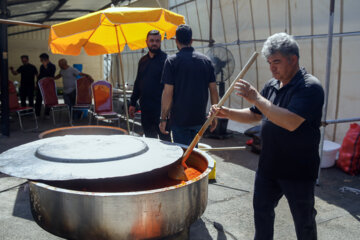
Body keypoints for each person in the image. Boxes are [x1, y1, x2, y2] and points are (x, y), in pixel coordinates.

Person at [210, 32, 324, 240]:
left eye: (277, 62)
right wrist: (226, 112)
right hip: (268, 166)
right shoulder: (272, 85)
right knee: (262, 214)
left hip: (298, 171)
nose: (272, 68)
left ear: (293, 59)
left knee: (304, 221)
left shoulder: (309, 87)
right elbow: (255, 115)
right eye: (270, 62)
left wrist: (256, 97)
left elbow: (290, 122)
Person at [159, 24, 219, 145]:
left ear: (176, 40)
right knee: (194, 153)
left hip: (179, 119)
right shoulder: (206, 61)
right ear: (191, 40)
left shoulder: (172, 61)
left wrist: (163, 118)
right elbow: (213, 90)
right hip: (199, 118)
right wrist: (214, 116)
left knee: (183, 155)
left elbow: (167, 93)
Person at [129, 30, 171, 141]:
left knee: (165, 142)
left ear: (160, 42)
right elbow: (138, 83)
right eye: (151, 40)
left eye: (157, 41)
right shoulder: (142, 61)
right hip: (146, 110)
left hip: (162, 111)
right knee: (150, 141)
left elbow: (171, 87)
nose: (154, 43)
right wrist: (133, 103)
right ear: (146, 42)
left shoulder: (167, 61)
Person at [35, 53, 56, 117]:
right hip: (41, 85)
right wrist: (37, 83)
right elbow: (40, 76)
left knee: (48, 99)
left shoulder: (52, 66)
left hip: (48, 85)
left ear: (46, 59)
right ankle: (37, 114)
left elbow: (51, 76)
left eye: (41, 60)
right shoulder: (41, 66)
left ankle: (47, 113)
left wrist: (46, 67)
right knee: (38, 99)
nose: (41, 61)